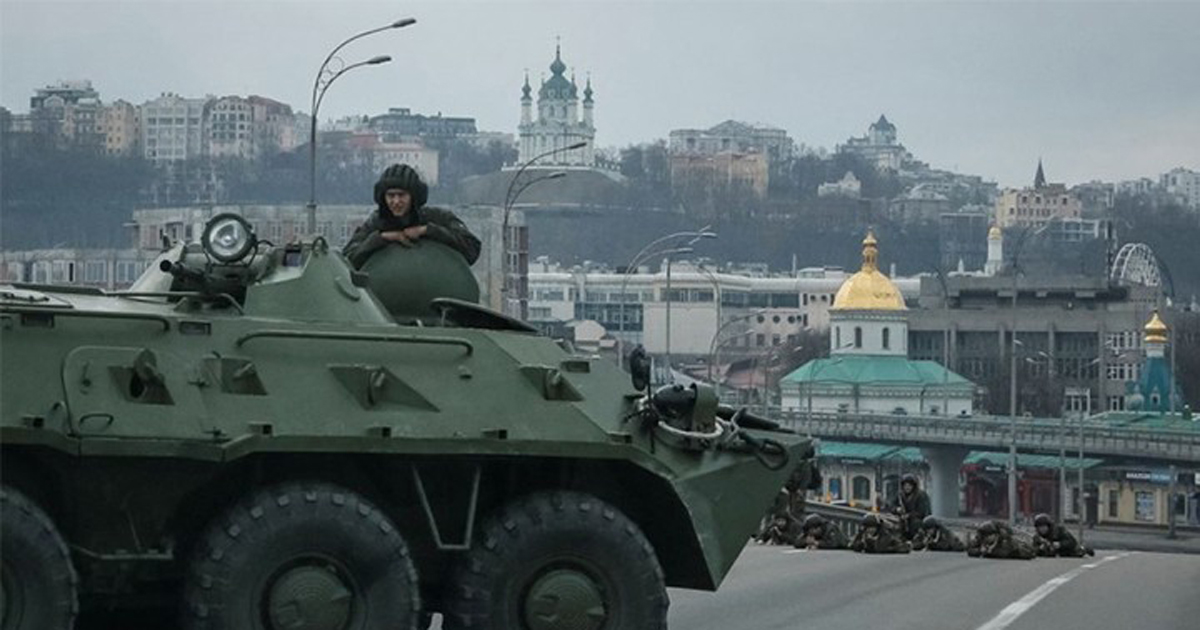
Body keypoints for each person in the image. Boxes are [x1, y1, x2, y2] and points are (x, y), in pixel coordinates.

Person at [342, 164, 481, 269]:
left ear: (413, 197)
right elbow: (347, 260)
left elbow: (472, 249)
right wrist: (382, 238)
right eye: (390, 196)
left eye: (401, 195)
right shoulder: (376, 223)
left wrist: (429, 231)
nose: (396, 202)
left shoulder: (437, 218)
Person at [887, 473, 932, 541]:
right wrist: (897, 509)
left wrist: (908, 515)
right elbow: (891, 506)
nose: (907, 487)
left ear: (913, 486)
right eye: (905, 485)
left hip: (918, 520)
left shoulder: (921, 495)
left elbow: (922, 512)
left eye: (909, 485)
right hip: (903, 519)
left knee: (915, 523)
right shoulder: (900, 495)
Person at [966, 520, 1035, 560]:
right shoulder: (980, 539)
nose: (988, 538)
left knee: (1024, 549)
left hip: (1014, 550)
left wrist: (989, 552)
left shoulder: (1004, 540)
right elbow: (970, 549)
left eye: (990, 535)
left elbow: (1003, 553)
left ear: (995, 535)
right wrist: (979, 551)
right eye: (986, 536)